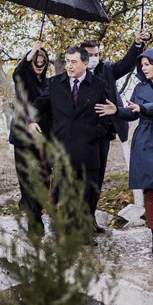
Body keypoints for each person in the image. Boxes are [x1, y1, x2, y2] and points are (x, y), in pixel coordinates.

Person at [95, 49, 153, 257]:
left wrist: (142, 109)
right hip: (145, 139)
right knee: (150, 189)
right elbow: (132, 113)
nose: (143, 68)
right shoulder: (139, 87)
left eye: (147, 64)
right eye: (141, 65)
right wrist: (117, 111)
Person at [29, 46, 109, 233]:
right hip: (62, 149)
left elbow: (105, 116)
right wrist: (31, 121)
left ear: (85, 63)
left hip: (88, 149)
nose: (69, 66)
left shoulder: (98, 84)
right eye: (67, 61)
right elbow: (38, 104)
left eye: (74, 62)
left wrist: (94, 134)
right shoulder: (55, 83)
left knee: (88, 193)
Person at [80, 28, 146, 232]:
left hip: (103, 133)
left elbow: (126, 64)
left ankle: (89, 218)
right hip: (81, 136)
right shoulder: (74, 74)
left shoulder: (107, 69)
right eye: (89, 55)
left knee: (97, 178)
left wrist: (137, 44)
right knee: (83, 179)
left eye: (96, 54)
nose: (93, 58)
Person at [10, 41, 51, 235]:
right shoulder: (23, 79)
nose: (39, 64)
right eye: (36, 60)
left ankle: (32, 206)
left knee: (44, 179)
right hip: (24, 137)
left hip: (43, 138)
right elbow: (18, 73)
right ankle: (34, 220)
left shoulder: (48, 83)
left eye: (43, 61)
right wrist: (32, 51)